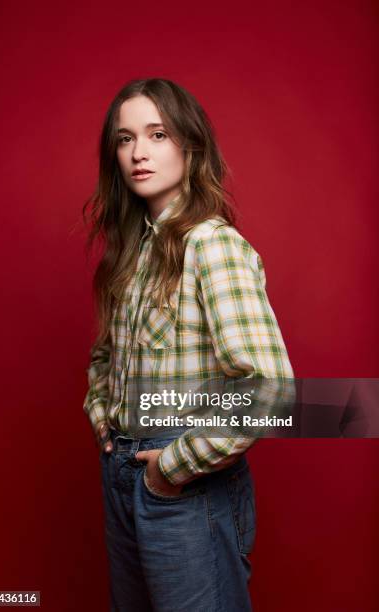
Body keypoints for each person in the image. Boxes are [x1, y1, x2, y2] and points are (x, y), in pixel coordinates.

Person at [82, 78, 294, 612]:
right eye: (125, 138)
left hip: (183, 481)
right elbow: (106, 355)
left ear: (189, 146)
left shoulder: (211, 244)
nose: (138, 152)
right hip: (123, 472)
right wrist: (104, 418)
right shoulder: (130, 256)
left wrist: (168, 469)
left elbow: (269, 392)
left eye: (157, 134)